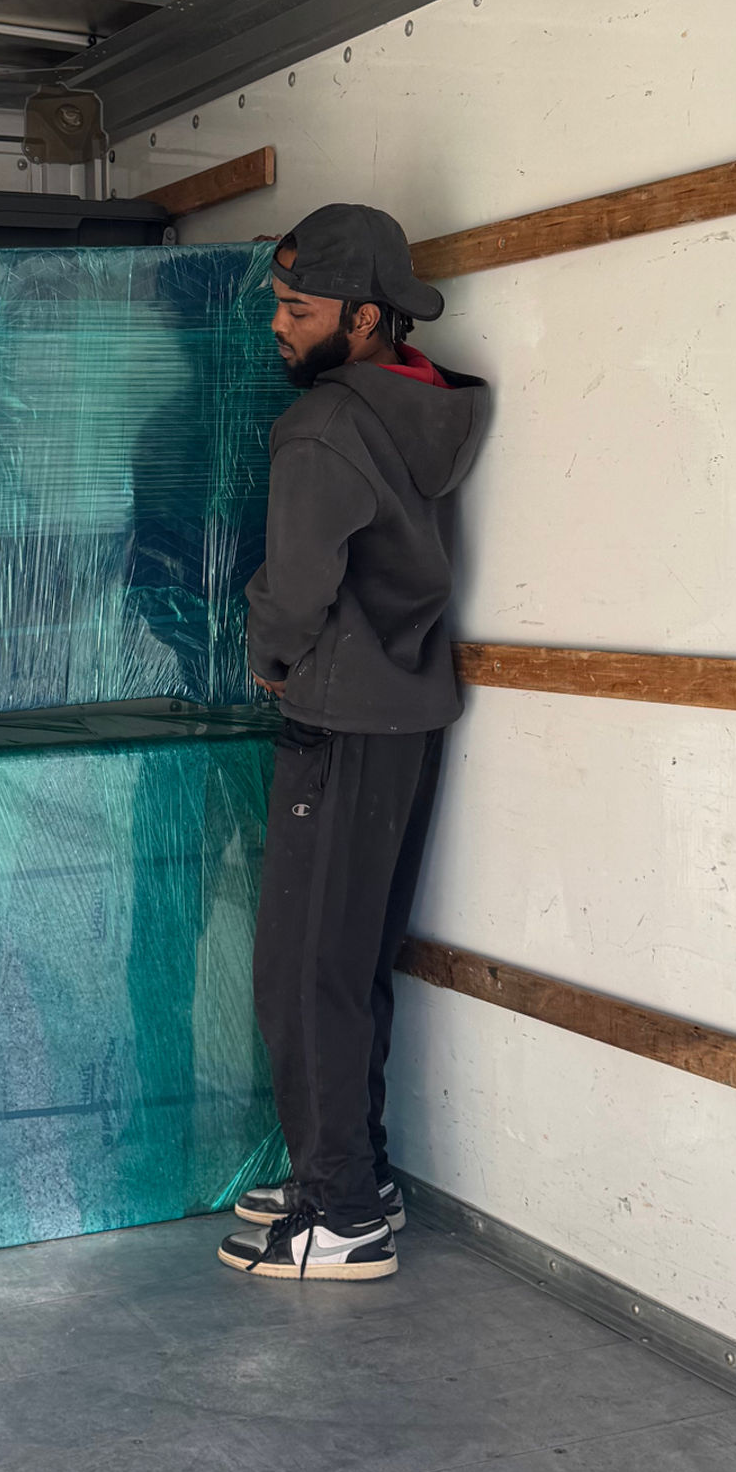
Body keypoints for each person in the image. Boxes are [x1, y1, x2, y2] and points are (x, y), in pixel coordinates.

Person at [218, 204, 488, 1284]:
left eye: (298, 309)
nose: (277, 326)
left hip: (336, 721)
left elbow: (296, 587)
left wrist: (269, 654)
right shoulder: (425, 405)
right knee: (351, 965)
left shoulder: (324, 424)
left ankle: (342, 1218)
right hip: (407, 716)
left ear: (365, 318)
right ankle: (353, 1175)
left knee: (299, 975)